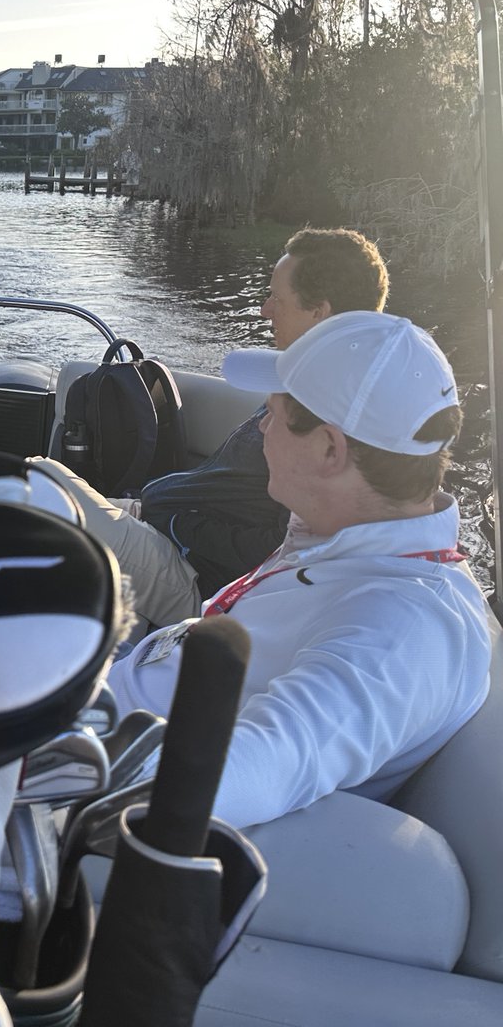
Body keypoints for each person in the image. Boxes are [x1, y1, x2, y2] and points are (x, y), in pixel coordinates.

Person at [107, 311, 492, 829]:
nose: (261, 428)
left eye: (271, 413)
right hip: (119, 694)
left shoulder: (401, 629)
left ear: (330, 449)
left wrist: (26, 733)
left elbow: (248, 773)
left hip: (82, 770)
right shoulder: (340, 535)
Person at [32, 227, 390, 624]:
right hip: (162, 524)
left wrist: (177, 524)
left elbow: (275, 549)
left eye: (277, 298)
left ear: (318, 312)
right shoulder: (306, 382)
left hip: (197, 580)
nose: (264, 310)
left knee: (34, 485)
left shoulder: (326, 419)